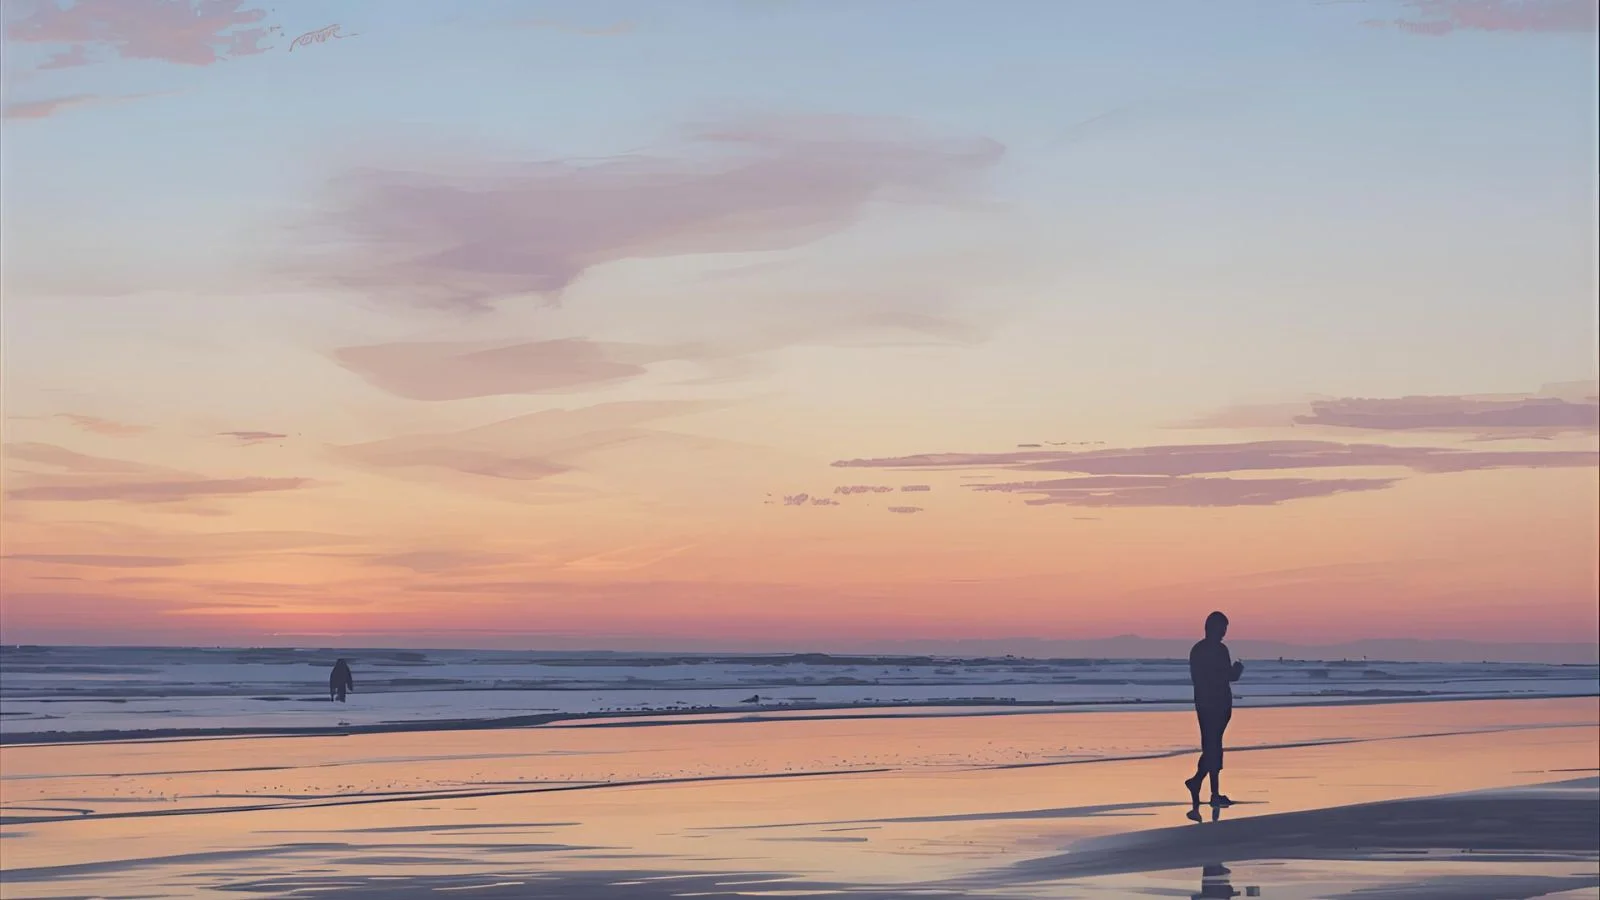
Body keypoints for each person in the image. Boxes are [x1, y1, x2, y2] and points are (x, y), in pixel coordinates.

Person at [1185, 611, 1243, 811]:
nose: (1224, 632)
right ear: (1214, 627)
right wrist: (1237, 670)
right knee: (1214, 747)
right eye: (1223, 628)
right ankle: (1210, 791)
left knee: (1212, 747)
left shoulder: (1197, 650)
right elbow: (1226, 676)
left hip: (1205, 703)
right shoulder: (1217, 650)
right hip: (1215, 704)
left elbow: (1200, 679)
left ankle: (1201, 784)